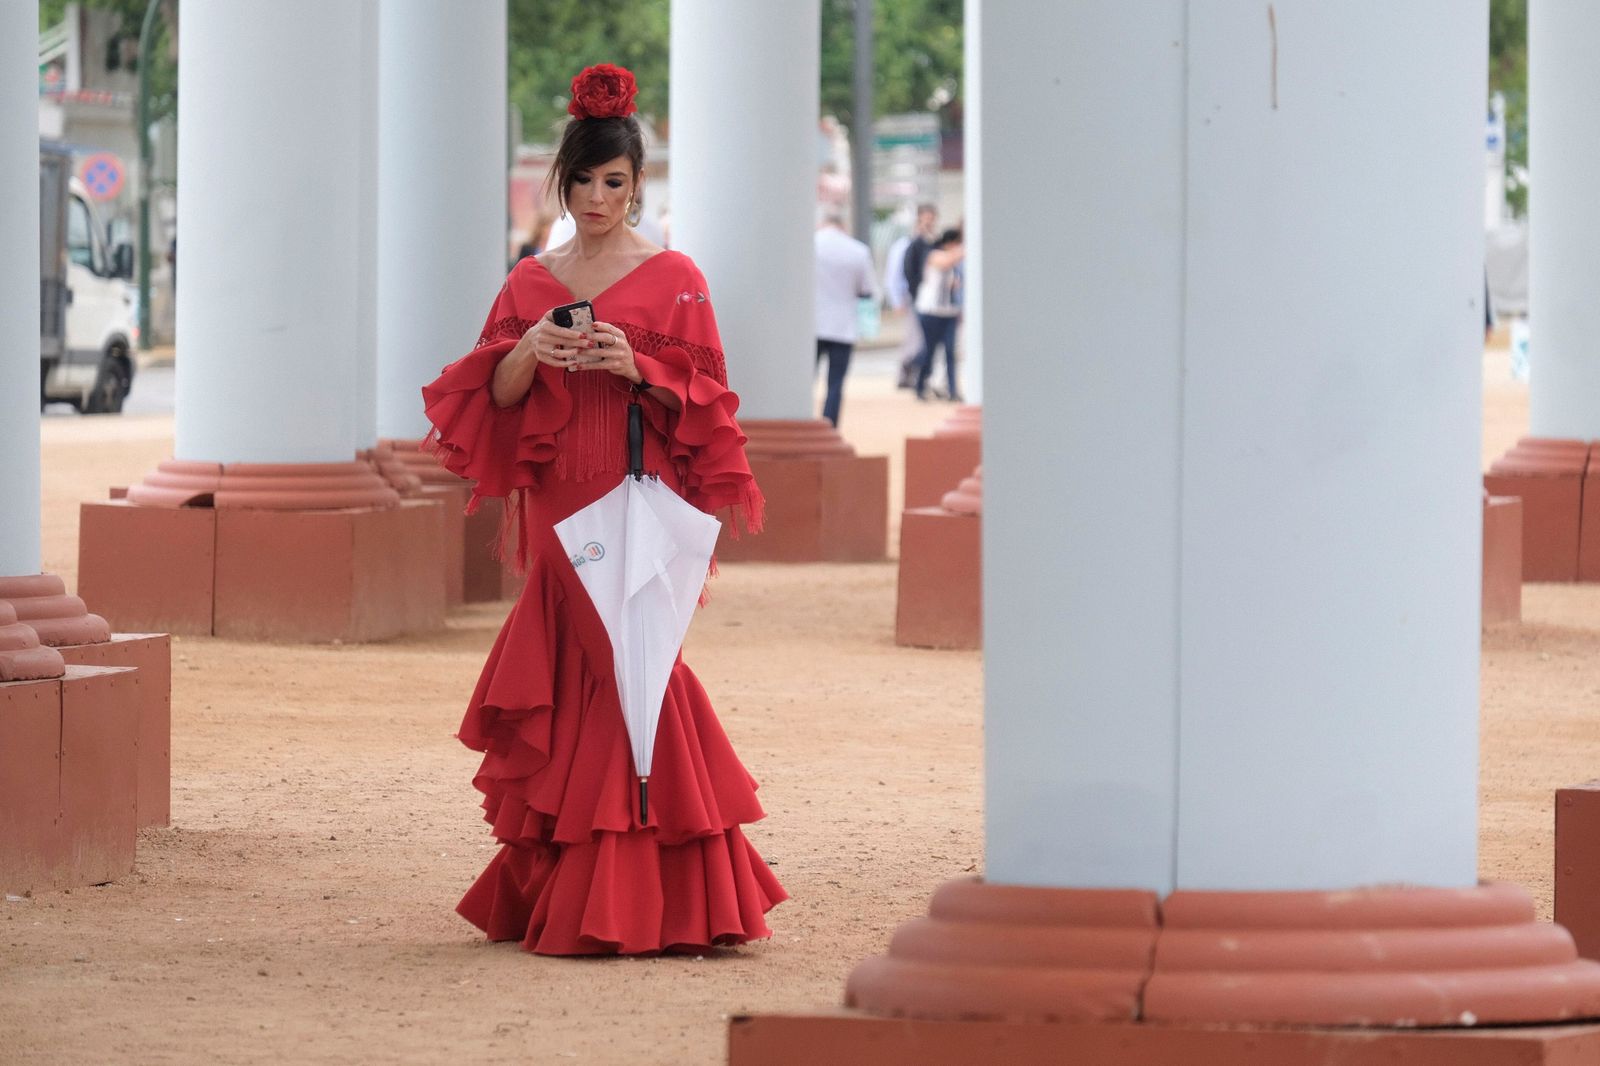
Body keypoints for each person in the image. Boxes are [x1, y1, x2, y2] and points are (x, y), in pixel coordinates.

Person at [421, 63, 786, 956]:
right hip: (559, 504)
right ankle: (596, 886)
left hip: (638, 495)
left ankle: (645, 890)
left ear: (638, 183)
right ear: (562, 180)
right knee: (590, 665)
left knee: (640, 660)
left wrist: (639, 366)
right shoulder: (530, 280)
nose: (595, 199)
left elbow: (711, 400)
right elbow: (493, 396)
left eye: (613, 182)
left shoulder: (676, 276)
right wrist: (530, 352)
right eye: (581, 180)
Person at [813, 211, 876, 427]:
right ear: (843, 226)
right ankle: (829, 425)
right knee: (836, 382)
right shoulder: (858, 251)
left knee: (807, 379)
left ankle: (804, 419)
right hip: (843, 325)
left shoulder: (810, 245)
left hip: (812, 324)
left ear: (823, 224)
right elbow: (867, 289)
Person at [913, 226, 964, 402]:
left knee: (950, 351)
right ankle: (920, 385)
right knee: (929, 350)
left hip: (949, 311)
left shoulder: (954, 263)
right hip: (931, 311)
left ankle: (952, 390)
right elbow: (947, 261)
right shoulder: (934, 255)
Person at [897, 203, 939, 388]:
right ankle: (907, 372)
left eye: (932, 218)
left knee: (926, 340)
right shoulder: (912, 244)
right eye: (926, 218)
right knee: (914, 338)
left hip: (932, 299)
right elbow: (905, 272)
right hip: (917, 297)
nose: (929, 222)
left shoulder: (934, 242)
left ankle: (920, 375)